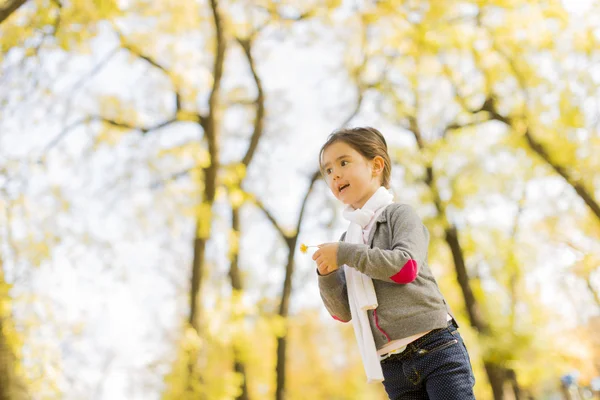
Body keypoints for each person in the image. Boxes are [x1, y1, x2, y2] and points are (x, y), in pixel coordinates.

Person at [312, 126, 476, 399]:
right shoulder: (348, 238)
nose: (335, 174)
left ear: (376, 165)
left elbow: (405, 268)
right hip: (392, 366)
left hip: (435, 347)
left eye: (343, 162)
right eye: (328, 170)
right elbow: (343, 312)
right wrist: (326, 275)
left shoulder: (399, 215)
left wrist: (346, 253)